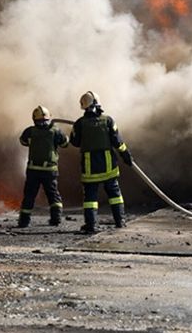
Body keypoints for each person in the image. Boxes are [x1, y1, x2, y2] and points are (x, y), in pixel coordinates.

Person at [69, 91, 133, 233]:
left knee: (90, 197)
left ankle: (91, 225)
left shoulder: (79, 124)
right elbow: (118, 142)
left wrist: (76, 132)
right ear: (98, 104)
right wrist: (126, 155)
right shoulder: (108, 121)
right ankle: (120, 221)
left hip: (90, 166)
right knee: (115, 194)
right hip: (108, 165)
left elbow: (75, 142)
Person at [18, 106, 69, 228]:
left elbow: (23, 141)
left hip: (33, 170)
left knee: (29, 195)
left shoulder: (29, 131)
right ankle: (56, 219)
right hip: (49, 170)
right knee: (53, 195)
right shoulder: (55, 131)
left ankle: (24, 222)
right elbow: (65, 144)